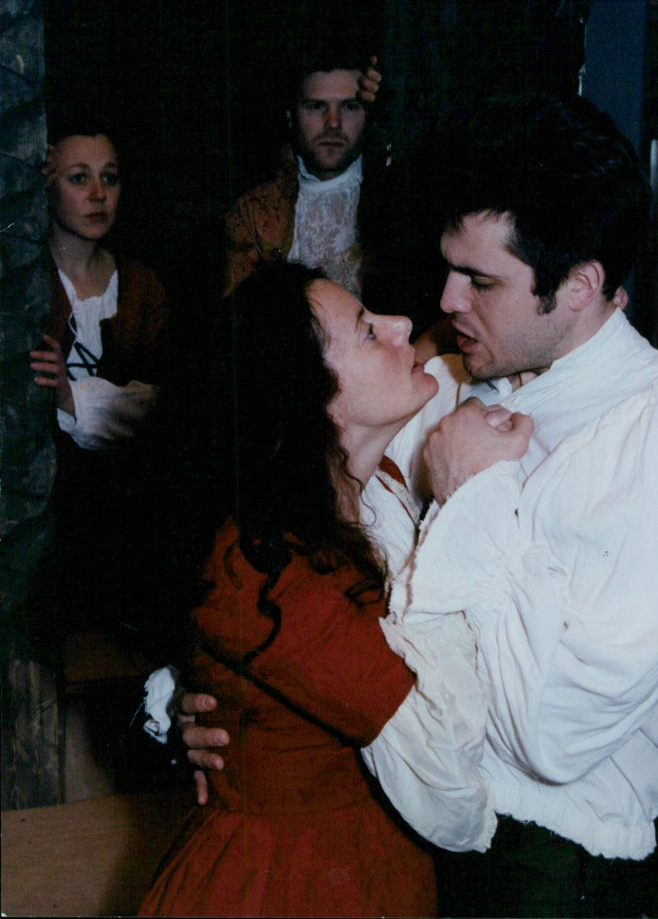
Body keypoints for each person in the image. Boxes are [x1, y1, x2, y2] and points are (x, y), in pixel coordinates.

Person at [181, 93, 658, 917]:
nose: (444, 301)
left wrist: (477, 491)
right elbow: (298, 519)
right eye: (450, 267)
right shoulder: (458, 374)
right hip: (394, 826)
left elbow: (553, 738)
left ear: (580, 285)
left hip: (540, 854)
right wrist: (209, 700)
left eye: (480, 280)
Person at [138, 263, 513, 918]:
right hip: (287, 885)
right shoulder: (258, 560)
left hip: (366, 868)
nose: (404, 326)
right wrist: (462, 505)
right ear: (305, 390)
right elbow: (452, 802)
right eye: (368, 331)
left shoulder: (379, 499)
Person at [28, 123, 168, 641]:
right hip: (46, 514)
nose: (97, 195)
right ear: (45, 184)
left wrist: (72, 396)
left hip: (124, 513)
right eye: (77, 178)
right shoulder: (28, 284)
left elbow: (160, 403)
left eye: (109, 178)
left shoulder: (142, 286)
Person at [223, 47, 384, 298]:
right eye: (317, 106)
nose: (333, 122)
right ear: (291, 117)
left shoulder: (397, 199)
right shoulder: (253, 212)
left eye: (349, 106)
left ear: (368, 115)